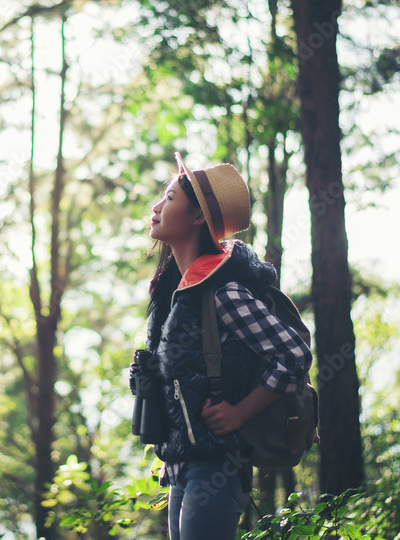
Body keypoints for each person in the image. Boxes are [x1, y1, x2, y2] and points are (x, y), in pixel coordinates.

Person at [140, 152, 312, 539]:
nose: (155, 207)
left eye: (168, 199)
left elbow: (294, 354)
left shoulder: (224, 293)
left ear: (198, 216)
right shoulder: (176, 294)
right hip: (182, 466)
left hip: (217, 467)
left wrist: (240, 412)